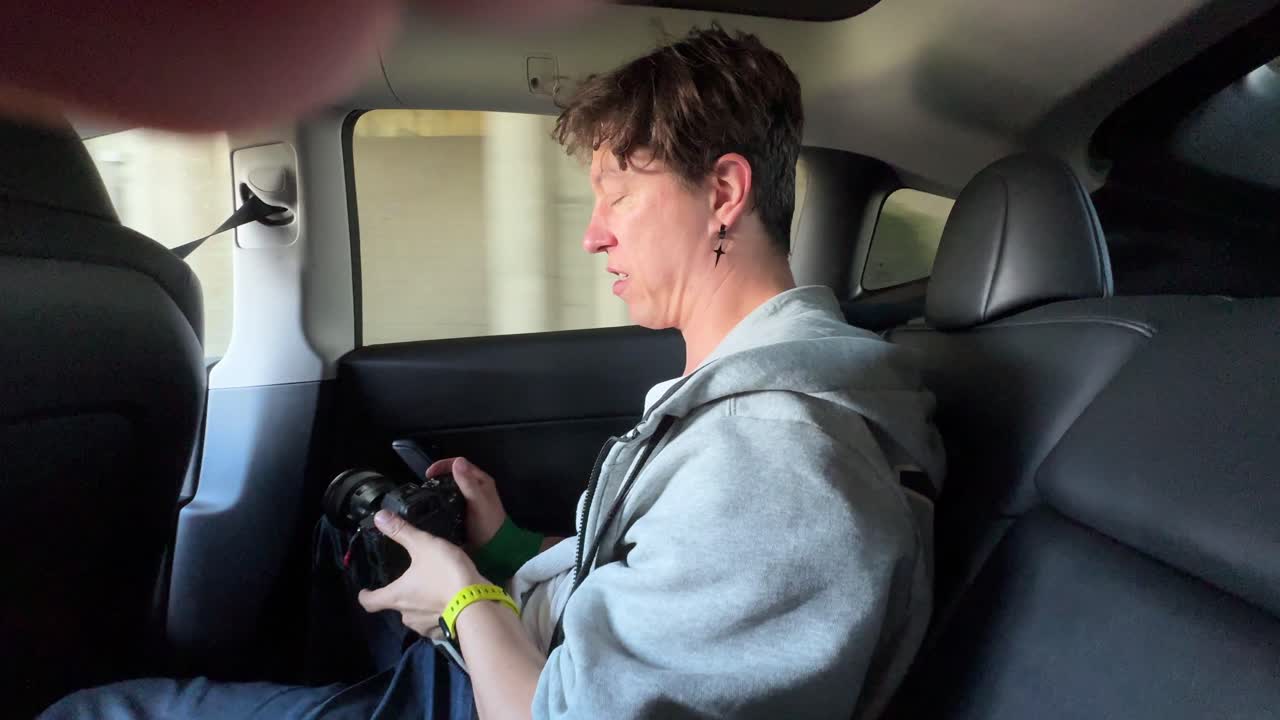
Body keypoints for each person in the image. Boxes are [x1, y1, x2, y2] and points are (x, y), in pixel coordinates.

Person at [40, 25, 943, 720]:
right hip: (512, 668)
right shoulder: (745, 413)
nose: (594, 233)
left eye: (620, 196)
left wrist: (467, 596)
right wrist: (507, 547)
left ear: (725, 192)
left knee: (91, 712)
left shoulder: (780, 463)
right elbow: (638, 596)